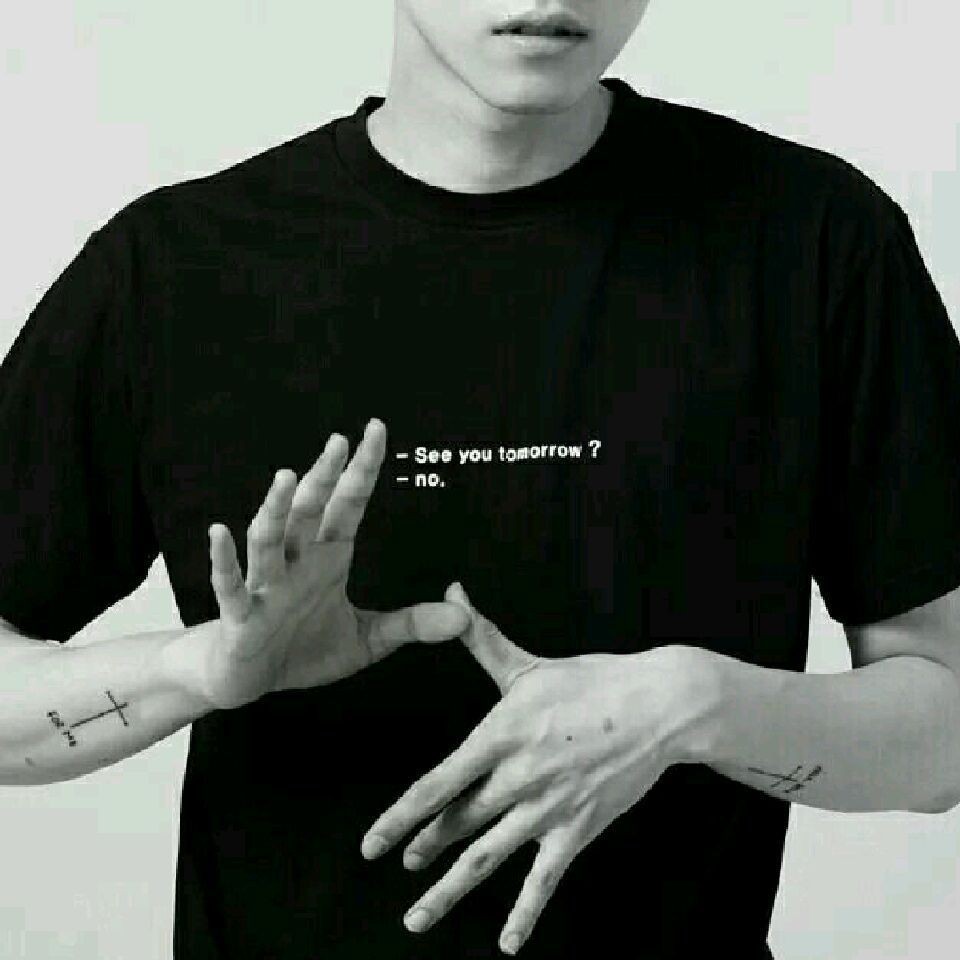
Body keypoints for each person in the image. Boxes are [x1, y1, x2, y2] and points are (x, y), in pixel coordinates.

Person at [2, 2, 959, 957]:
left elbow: (945, 732)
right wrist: (198, 671)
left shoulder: (812, 240)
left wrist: (696, 706)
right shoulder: (176, 268)